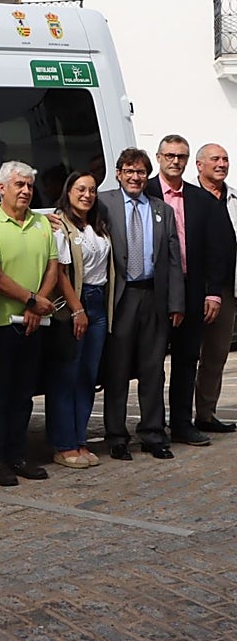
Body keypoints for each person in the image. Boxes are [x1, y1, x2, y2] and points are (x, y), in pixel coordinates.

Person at [98, 148, 185, 460]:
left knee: (153, 370)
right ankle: (116, 436)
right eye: (129, 171)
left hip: (154, 297)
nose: (135, 177)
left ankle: (152, 433)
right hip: (120, 297)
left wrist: (176, 302)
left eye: (140, 172)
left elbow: (173, 260)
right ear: (119, 173)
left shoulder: (162, 210)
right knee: (117, 369)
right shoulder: (103, 202)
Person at [0, 162, 58, 486]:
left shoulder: (42, 222)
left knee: (24, 395)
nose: (25, 191)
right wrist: (30, 299)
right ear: (2, 188)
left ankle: (18, 454)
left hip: (34, 322)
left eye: (28, 185)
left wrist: (38, 304)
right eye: (18, 185)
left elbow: (53, 267)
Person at [145, 135, 226, 446]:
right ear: (159, 156)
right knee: (151, 363)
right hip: (152, 291)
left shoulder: (201, 199)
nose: (174, 161)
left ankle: (181, 423)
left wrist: (213, 292)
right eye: (169, 155)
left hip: (192, 292)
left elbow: (215, 250)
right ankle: (152, 428)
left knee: (186, 359)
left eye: (181, 156)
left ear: (188, 160)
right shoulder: (145, 191)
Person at [47, 171, 113, 468]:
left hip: (99, 303)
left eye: (92, 190)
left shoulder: (97, 224)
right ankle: (63, 445)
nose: (87, 194)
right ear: (68, 191)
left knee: (88, 375)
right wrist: (77, 309)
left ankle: (80, 440)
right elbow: (60, 272)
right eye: (80, 189)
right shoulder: (60, 224)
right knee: (66, 376)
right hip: (76, 302)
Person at [194, 143, 237, 433]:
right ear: (199, 165)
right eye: (214, 159)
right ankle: (181, 418)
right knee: (186, 356)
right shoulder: (187, 196)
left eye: (225, 159)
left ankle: (206, 416)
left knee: (216, 355)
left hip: (226, 289)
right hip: (192, 288)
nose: (221, 164)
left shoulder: (233, 197)